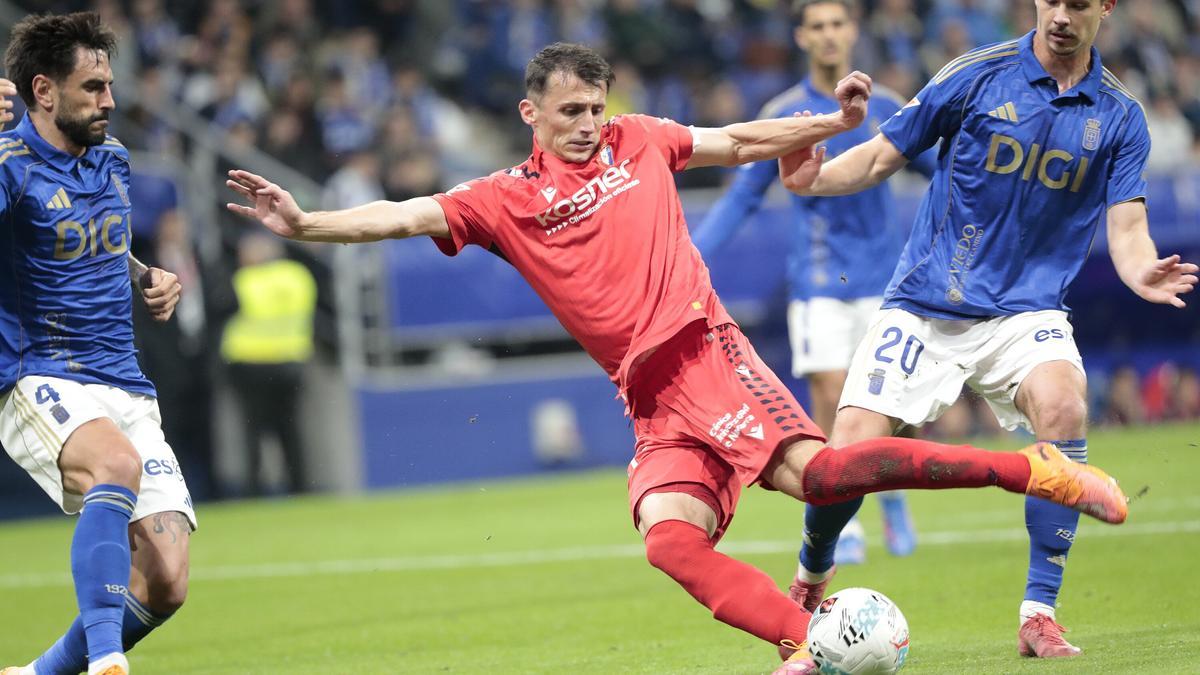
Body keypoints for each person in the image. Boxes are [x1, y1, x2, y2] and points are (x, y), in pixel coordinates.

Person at [225, 42, 1128, 674]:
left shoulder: (639, 140)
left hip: (704, 348)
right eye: (569, 111)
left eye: (594, 107)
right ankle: (801, 640)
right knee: (669, 539)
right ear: (529, 113)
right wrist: (305, 223)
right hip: (648, 395)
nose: (586, 124)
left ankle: (1031, 469)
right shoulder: (501, 199)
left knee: (821, 478)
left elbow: (737, 142)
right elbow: (405, 212)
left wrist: (830, 121)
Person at [777, 0, 1197, 659]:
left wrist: (1141, 269)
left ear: (1106, 8)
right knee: (846, 459)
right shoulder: (973, 74)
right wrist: (815, 179)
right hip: (925, 302)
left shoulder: (1120, 115)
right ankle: (812, 570)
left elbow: (1126, 224)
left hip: (1025, 312)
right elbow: (884, 155)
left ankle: (1039, 611)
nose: (1062, 14)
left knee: (1063, 402)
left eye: (1079, 4)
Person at [692, 0, 933, 569]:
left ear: (852, 32)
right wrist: (692, 256)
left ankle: (891, 497)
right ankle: (840, 507)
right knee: (830, 388)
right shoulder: (783, 114)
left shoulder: (891, 108)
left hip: (884, 279)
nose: (828, 35)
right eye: (817, 26)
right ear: (802, 37)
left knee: (882, 402)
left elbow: (939, 168)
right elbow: (744, 195)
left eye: (837, 24)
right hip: (819, 281)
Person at [0, 13, 195, 675]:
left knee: (167, 580)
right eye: (92, 87)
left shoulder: (113, 159)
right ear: (44, 92)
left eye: (108, 84)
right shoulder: (9, 165)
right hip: (39, 370)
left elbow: (102, 242)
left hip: (123, 376)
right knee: (113, 464)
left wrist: (148, 276)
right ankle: (108, 661)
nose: (109, 100)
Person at [220, 233, 317, 496]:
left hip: (251, 363)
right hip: (291, 360)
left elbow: (225, 310)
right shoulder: (298, 276)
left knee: (252, 433)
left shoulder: (243, 280)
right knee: (292, 431)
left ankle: (253, 490)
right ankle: (300, 487)